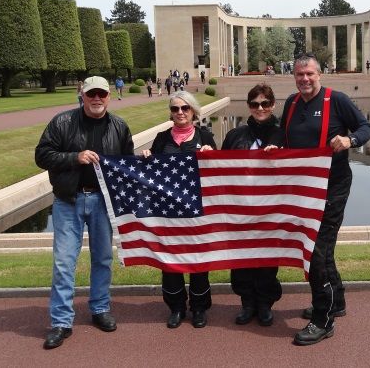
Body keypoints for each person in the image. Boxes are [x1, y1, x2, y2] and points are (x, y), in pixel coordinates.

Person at [35, 76, 134, 349]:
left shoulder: (119, 126)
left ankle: (100, 308)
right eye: (92, 94)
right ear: (83, 95)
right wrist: (74, 157)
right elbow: (41, 155)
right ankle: (61, 321)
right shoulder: (62, 122)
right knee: (64, 263)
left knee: (102, 259)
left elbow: (127, 164)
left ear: (109, 96)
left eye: (102, 93)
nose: (97, 98)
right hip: (69, 200)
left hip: (103, 203)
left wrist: (143, 160)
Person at [281, 53, 370, 346]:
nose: (305, 79)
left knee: (316, 252)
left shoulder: (338, 100)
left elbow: (366, 128)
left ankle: (323, 320)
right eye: (299, 75)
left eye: (309, 74)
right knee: (323, 249)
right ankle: (337, 301)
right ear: (294, 77)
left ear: (319, 74)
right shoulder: (291, 104)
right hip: (304, 189)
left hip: (333, 187)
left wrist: (350, 140)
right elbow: (286, 143)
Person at [141, 91, 215, 329]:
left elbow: (218, 171)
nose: (180, 113)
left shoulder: (205, 136)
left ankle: (199, 307)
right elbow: (151, 174)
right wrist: (147, 158)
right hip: (168, 209)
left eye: (184, 108)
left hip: (197, 207)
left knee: (198, 258)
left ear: (193, 110)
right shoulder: (162, 138)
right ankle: (176, 307)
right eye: (175, 109)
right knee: (170, 258)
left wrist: (211, 156)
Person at [221, 83, 284, 327]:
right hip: (241, 207)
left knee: (268, 258)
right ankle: (247, 303)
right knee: (242, 258)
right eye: (255, 104)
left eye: (265, 103)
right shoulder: (235, 136)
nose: (260, 108)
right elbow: (221, 171)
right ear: (249, 106)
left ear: (273, 105)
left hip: (271, 208)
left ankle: (265, 304)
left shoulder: (283, 134)